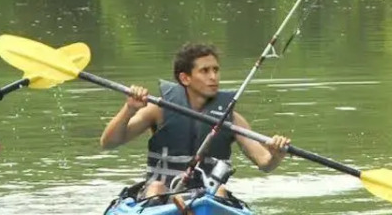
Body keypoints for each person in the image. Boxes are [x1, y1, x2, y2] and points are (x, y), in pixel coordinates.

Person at [99, 41, 290, 199]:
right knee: (156, 187)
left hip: (207, 195)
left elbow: (265, 163)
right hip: (161, 194)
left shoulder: (231, 118)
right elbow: (108, 143)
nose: (213, 77)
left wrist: (276, 155)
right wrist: (129, 109)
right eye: (204, 71)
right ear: (185, 78)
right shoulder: (158, 110)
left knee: (220, 192)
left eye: (216, 70)